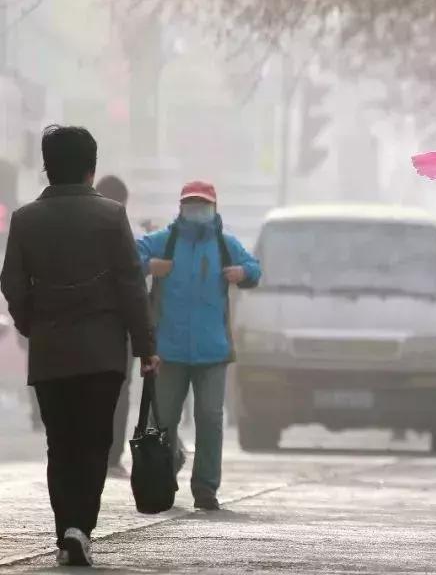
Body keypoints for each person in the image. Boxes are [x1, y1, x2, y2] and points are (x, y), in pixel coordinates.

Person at [0, 125, 159, 567]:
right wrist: (146, 347)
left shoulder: (26, 219)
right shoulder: (111, 216)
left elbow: (11, 281)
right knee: (93, 442)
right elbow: (131, 285)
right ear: (92, 168)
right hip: (102, 355)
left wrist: (30, 322)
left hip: (51, 351)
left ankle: (66, 527)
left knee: (61, 443)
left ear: (48, 167)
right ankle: (79, 529)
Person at [136, 181, 261, 511]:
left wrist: (242, 272)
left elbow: (255, 268)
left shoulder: (224, 244)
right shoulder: (166, 241)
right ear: (180, 208)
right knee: (162, 422)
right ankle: (163, 476)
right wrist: (150, 267)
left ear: (214, 208)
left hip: (212, 352)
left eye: (202, 205)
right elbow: (131, 255)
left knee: (210, 419)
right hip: (169, 350)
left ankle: (205, 487)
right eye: (190, 204)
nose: (196, 211)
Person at [95, 175, 136, 478]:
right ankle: (110, 456)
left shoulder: (77, 231)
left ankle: (93, 453)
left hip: (86, 327)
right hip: (118, 329)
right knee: (119, 393)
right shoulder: (122, 232)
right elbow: (133, 286)